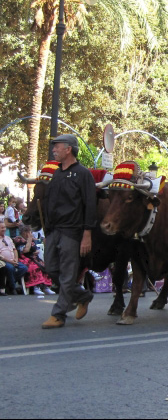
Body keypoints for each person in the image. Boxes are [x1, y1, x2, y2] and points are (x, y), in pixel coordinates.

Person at [40, 134, 97, 329]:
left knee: (66, 274)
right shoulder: (56, 173)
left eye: (57, 146)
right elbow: (49, 203)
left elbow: (90, 205)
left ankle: (58, 314)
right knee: (51, 269)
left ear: (69, 149)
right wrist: (47, 232)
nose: (54, 150)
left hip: (72, 232)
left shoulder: (83, 174)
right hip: (53, 231)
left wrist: (87, 234)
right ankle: (82, 296)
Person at [15, 225, 54, 296]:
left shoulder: (31, 240)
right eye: (27, 232)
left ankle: (45, 287)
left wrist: (35, 251)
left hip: (33, 257)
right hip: (24, 259)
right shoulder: (18, 239)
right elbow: (25, 250)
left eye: (30, 232)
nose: (29, 233)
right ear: (23, 232)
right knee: (35, 267)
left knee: (45, 266)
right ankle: (36, 287)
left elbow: (35, 249)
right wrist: (29, 240)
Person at [0, 223, 28, 294]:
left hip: (13, 260)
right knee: (10, 268)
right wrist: (10, 261)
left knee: (24, 268)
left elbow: (14, 249)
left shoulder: (8, 238)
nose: (4, 229)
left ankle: (9, 283)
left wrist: (15, 259)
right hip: (4, 261)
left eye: (4, 227)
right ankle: (13, 288)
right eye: (2, 228)